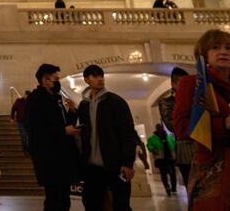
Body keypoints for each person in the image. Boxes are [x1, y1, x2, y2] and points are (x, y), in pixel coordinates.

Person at [173, 30, 230, 209]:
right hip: (216, 170)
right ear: (204, 55)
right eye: (215, 48)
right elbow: (181, 127)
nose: (224, 52)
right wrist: (224, 124)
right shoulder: (192, 84)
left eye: (229, 48)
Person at [77, 64, 135, 211]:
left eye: (101, 75)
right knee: (91, 203)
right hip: (92, 167)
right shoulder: (83, 106)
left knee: (121, 204)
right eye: (95, 76)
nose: (100, 79)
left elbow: (128, 133)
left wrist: (128, 162)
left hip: (115, 165)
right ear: (86, 80)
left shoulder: (116, 102)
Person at [26, 63, 80, 211]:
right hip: (49, 159)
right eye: (56, 79)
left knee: (64, 198)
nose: (58, 82)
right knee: (53, 200)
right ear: (45, 80)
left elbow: (64, 125)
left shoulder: (56, 99)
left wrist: (72, 112)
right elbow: (35, 130)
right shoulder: (35, 100)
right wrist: (62, 131)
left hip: (63, 157)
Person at [158, 66, 194, 186]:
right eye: (184, 83)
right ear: (174, 84)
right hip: (186, 150)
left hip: (205, 148)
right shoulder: (167, 102)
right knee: (192, 189)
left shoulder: (196, 99)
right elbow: (172, 126)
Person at [146, 123, 177, 196]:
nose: (160, 129)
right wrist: (153, 150)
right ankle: (167, 187)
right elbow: (149, 146)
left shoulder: (169, 137)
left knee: (173, 174)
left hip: (170, 158)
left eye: (160, 127)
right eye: (158, 127)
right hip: (161, 159)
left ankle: (174, 188)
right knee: (163, 174)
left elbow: (174, 145)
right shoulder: (152, 138)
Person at [10, 90, 30, 155]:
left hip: (28, 121)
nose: (26, 96)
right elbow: (13, 109)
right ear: (25, 95)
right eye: (26, 95)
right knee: (23, 135)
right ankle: (25, 150)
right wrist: (12, 118)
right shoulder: (19, 101)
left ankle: (28, 149)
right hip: (21, 121)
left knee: (28, 136)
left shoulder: (30, 101)